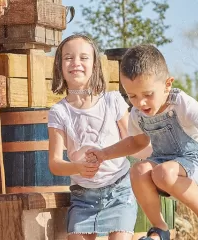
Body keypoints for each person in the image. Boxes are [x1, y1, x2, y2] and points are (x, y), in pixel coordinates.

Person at [86, 44, 198, 240]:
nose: (140, 103)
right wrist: (104, 154)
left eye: (148, 95)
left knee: (164, 172)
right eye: (132, 96)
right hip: (166, 168)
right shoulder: (137, 114)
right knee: (139, 170)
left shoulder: (182, 104)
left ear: (167, 84)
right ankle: (160, 229)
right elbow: (136, 143)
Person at [47, 34, 151, 240]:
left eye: (83, 57)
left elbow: (135, 144)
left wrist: (150, 143)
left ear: (95, 65)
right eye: (68, 57)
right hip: (83, 197)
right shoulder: (59, 112)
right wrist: (78, 167)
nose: (76, 62)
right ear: (59, 65)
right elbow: (55, 163)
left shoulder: (112, 101)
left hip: (119, 191)